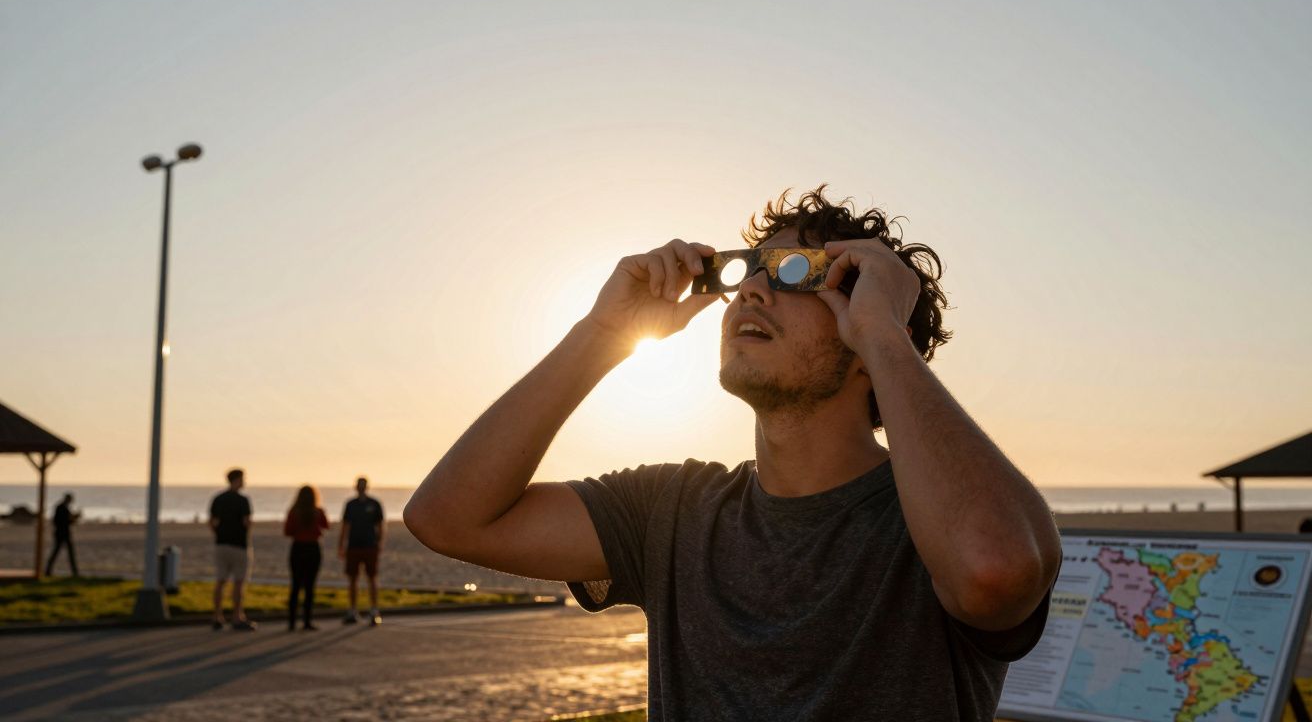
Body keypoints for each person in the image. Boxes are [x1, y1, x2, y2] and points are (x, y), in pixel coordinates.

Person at [404, 186, 1063, 719]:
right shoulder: (672, 510)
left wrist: (883, 336)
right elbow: (449, 518)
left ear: (867, 328)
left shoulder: (935, 523)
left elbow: (995, 571)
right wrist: (604, 332)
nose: (750, 291)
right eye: (747, 272)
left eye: (795, 273)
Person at [210, 468, 257, 631]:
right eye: (243, 479)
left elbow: (213, 522)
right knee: (238, 582)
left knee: (220, 580)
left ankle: (217, 615)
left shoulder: (218, 499)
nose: (245, 482)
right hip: (239, 545)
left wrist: (220, 533)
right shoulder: (243, 500)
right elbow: (247, 522)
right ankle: (237, 616)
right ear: (237, 480)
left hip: (221, 544)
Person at [339, 475, 384, 625]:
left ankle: (374, 610)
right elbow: (345, 526)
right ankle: (352, 610)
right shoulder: (350, 505)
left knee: (372, 578)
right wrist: (342, 545)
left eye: (363, 485)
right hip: (354, 546)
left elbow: (380, 525)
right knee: (353, 578)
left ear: (367, 487)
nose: (361, 487)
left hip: (370, 546)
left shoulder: (374, 504)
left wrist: (379, 543)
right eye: (359, 485)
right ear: (356, 487)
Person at [283, 485, 329, 631]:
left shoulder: (294, 512)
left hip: (298, 548)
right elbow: (326, 525)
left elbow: (287, 531)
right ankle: (307, 621)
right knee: (310, 587)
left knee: (295, 586)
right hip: (313, 548)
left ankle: (291, 622)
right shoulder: (318, 511)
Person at [44, 492, 80, 577]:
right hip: (62, 533)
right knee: (63, 553)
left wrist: (72, 519)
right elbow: (62, 521)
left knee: (59, 552)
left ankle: (48, 571)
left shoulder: (62, 507)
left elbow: (62, 521)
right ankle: (74, 572)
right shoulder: (61, 508)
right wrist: (73, 518)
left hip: (62, 533)